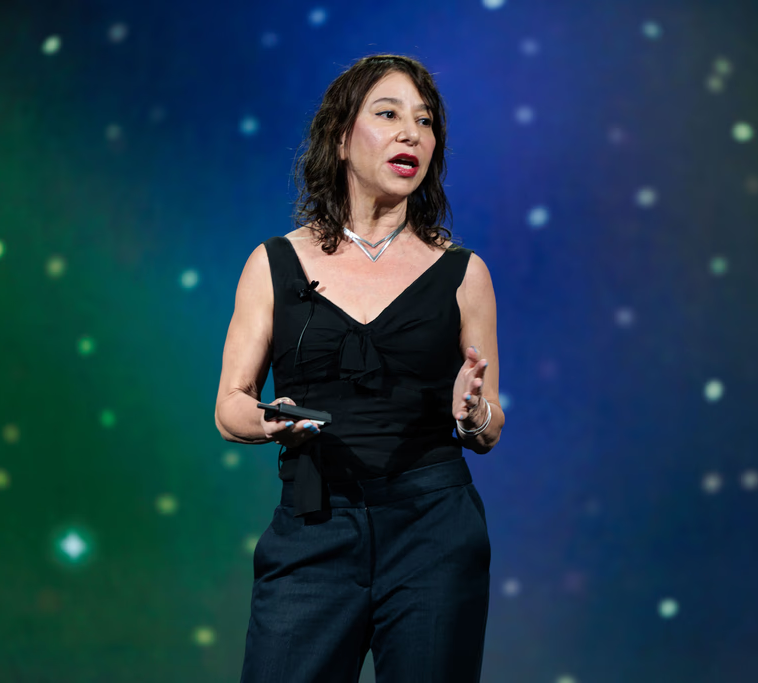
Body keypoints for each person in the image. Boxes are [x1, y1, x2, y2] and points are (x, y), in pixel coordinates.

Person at [215, 54, 504, 683]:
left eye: (425, 123)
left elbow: (490, 425)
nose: (411, 134)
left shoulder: (464, 273)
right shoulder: (273, 264)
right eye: (389, 114)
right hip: (314, 528)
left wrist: (474, 411)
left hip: (433, 531)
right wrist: (269, 422)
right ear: (343, 138)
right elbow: (230, 402)